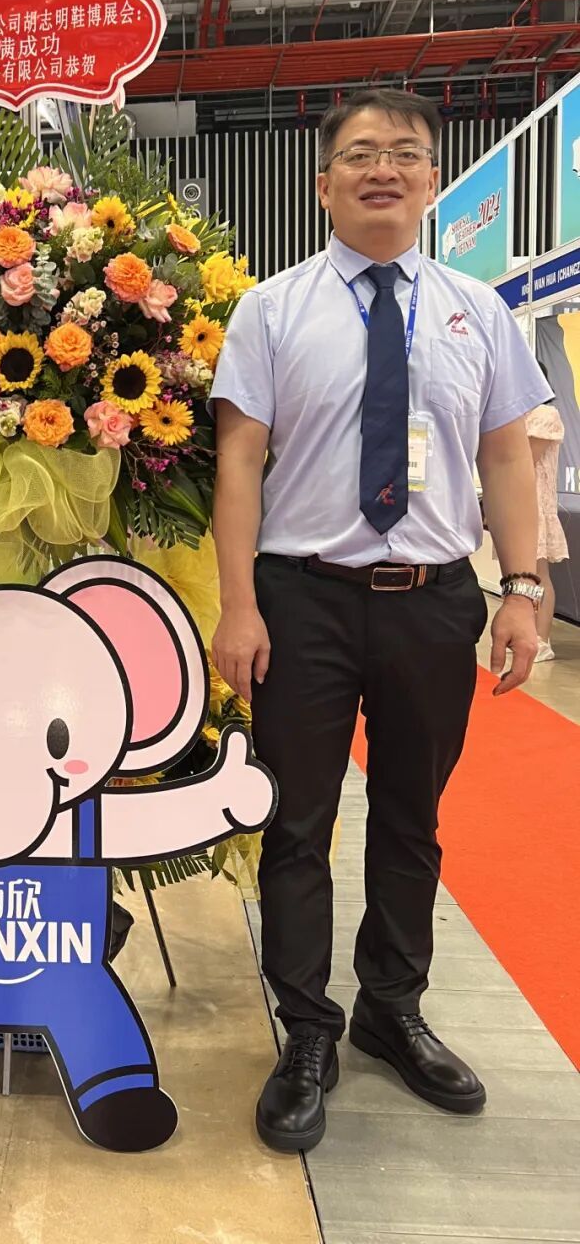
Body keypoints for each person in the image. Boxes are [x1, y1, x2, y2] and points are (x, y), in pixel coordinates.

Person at [209, 87, 547, 1154]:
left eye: (404, 153)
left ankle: (392, 1010)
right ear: (324, 184)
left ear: (433, 180)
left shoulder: (476, 310)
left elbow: (505, 456)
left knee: (412, 816)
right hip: (302, 599)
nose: (383, 169)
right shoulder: (271, 310)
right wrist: (237, 604)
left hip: (433, 600)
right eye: (360, 154)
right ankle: (306, 1029)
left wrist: (523, 587)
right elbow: (239, 461)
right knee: (296, 823)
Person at [524, 399, 569, 660]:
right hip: (518, 505)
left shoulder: (545, 414)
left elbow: (525, 461)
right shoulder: (519, 416)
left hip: (536, 505)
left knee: (539, 574)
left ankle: (541, 639)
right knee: (522, 574)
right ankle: (527, 634)